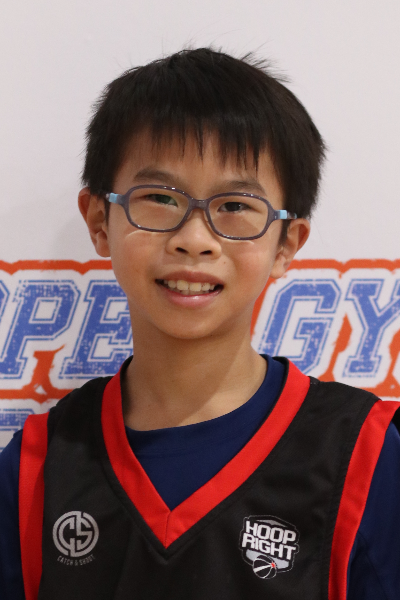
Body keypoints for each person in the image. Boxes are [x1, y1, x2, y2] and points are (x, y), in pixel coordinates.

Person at [0, 48, 399, 600]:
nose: (195, 239)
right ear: (99, 220)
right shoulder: (37, 466)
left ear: (287, 243)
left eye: (235, 205)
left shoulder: (363, 454)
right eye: (159, 198)